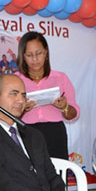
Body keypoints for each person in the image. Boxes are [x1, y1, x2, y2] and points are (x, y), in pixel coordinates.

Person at [16, 31, 79, 159]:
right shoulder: (15, 80)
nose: (35, 59)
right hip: (26, 132)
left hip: (55, 134)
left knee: (57, 169)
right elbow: (6, 115)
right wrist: (22, 110)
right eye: (29, 55)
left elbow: (74, 114)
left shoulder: (60, 78)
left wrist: (65, 107)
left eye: (39, 53)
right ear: (23, 56)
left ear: (46, 53)